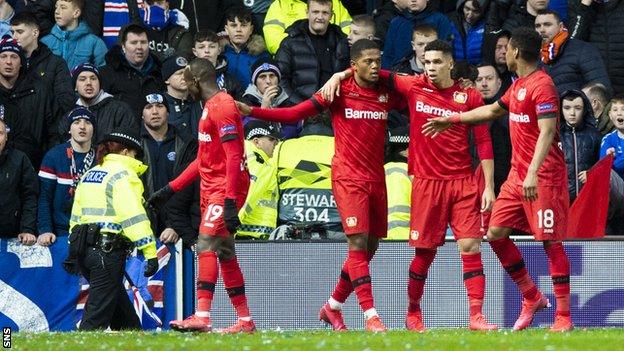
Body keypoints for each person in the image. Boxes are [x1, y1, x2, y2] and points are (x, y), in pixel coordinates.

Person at [326, 39, 498, 331]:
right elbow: (369, 69)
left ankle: (476, 316)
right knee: (424, 253)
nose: (430, 68)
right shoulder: (412, 85)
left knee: (470, 246)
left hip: (463, 182)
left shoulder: (467, 96)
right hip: (428, 184)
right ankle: (413, 312)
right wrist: (338, 75)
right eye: (427, 62)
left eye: (437, 62)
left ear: (450, 64)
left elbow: (483, 142)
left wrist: (489, 186)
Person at [238, 39, 407, 332]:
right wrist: (252, 111)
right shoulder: (337, 92)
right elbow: (294, 113)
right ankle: (371, 317)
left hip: (375, 178)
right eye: (368, 61)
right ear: (353, 65)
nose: (375, 66)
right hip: (347, 178)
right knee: (356, 243)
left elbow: (415, 93)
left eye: (378, 60)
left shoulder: (384, 92)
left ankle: (332, 306)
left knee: (370, 246)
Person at [423, 27, 574, 332]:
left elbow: (547, 132)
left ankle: (564, 317)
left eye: (507, 49)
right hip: (517, 178)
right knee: (495, 232)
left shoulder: (543, 86)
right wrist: (451, 119)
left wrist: (532, 173)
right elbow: (492, 110)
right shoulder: (518, 85)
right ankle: (531, 295)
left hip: (542, 178)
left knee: (550, 242)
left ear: (516, 52)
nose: (503, 52)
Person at [150, 58, 255, 333]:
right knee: (225, 252)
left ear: (196, 81)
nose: (185, 87)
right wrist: (170, 189)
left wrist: (230, 201)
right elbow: (203, 158)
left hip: (225, 187)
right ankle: (245, 321)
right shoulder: (209, 106)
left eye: (187, 81)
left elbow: (234, 157)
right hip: (212, 186)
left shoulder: (222, 107)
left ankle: (202, 316)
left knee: (206, 241)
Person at [69, 127, 158, 330]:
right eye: (135, 154)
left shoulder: (90, 174)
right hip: (107, 252)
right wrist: (150, 252)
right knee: (95, 317)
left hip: (86, 251)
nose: (137, 158)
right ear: (126, 152)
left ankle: (133, 338)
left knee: (122, 313)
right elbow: (133, 216)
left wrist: (72, 250)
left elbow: (76, 215)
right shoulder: (124, 175)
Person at [139, 92, 198, 245]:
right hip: (141, 229)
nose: (154, 111)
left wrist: (176, 226)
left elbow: (192, 190)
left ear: (168, 111)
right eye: (148, 107)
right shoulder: (133, 145)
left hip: (177, 229)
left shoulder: (187, 143)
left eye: (160, 106)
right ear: (142, 114)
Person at [38, 107, 96, 247]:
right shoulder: (54, 156)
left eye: (87, 122)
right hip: (60, 233)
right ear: (69, 129)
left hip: (93, 233)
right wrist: (45, 229)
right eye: (76, 122)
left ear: (93, 129)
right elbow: (44, 198)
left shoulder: (101, 158)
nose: (82, 126)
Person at [274, 0, 350, 105]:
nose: (320, 17)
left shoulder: (342, 42)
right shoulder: (290, 42)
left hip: (334, 109)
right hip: (300, 110)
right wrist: (301, 106)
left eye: (325, 13)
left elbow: (350, 76)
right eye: (315, 12)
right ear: (307, 13)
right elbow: (280, 79)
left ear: (331, 15)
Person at [0, 36, 56, 169]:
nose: (9, 62)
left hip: (31, 166)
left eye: (14, 57)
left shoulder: (39, 90)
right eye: (3, 57)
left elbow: (53, 131)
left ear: (21, 63)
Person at [10, 11, 75, 120]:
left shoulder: (56, 63)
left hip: (45, 130)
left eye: (19, 32)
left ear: (35, 33)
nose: (14, 37)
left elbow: (66, 103)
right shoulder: (7, 63)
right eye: (12, 32)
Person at [534, 10, 611, 95]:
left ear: (560, 26)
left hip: (577, 107)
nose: (541, 30)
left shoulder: (583, 49)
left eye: (547, 24)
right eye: (538, 26)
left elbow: (600, 89)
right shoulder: (533, 55)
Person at [57, 63, 139, 143]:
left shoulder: (120, 110)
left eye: (93, 78)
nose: (88, 83)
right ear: (75, 87)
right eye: (82, 79)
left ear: (100, 84)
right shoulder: (69, 116)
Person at [100, 23, 166, 118]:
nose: (139, 47)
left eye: (143, 42)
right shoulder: (106, 74)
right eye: (134, 43)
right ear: (123, 46)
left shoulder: (160, 72)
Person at [237, 120, 280, 239]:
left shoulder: (244, 157)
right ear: (256, 142)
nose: (276, 143)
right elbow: (251, 196)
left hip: (247, 231)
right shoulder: (261, 164)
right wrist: (231, 227)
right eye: (271, 139)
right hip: (252, 233)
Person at [381, 0, 454, 69]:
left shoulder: (440, 20)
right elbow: (388, 56)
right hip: (401, 75)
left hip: (433, 74)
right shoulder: (396, 22)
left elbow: (446, 52)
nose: (413, 0)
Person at [0, 117, 38, 246]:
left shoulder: (19, 159)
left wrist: (27, 229)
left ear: (6, 136)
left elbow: (30, 196)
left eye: (0, 133)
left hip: (13, 235)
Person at [263, 0, 351, 55]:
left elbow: (350, 35)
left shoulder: (335, 3)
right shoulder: (280, 4)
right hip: (293, 62)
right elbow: (273, 42)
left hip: (331, 60)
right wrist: (307, 50)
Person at [559, 90, 601, 203]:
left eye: (578, 108)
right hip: (561, 199)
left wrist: (592, 174)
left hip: (588, 198)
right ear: (560, 109)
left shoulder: (594, 135)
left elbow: (602, 164)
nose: (572, 113)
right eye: (567, 108)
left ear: (584, 110)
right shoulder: (554, 136)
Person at [241, 58, 299, 139]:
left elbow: (292, 133)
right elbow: (248, 133)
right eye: (262, 77)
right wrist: (263, 111)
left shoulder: (289, 105)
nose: (268, 81)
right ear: (255, 82)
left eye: (272, 76)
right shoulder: (246, 104)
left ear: (278, 80)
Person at [475, 63, 511, 194]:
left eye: (489, 79)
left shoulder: (510, 113)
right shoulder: (466, 112)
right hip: (473, 183)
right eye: (479, 80)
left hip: (504, 183)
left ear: (499, 82)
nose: (484, 84)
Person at [41, 0, 108, 69]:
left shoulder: (94, 43)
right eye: (56, 7)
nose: (56, 11)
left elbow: (103, 74)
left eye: (63, 7)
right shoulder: (45, 42)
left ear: (76, 13)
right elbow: (39, 73)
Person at [222, 6, 269, 88]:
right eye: (234, 25)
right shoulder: (219, 54)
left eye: (243, 25)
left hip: (253, 100)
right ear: (226, 29)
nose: (238, 30)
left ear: (251, 29)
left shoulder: (262, 56)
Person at [191, 30, 244, 100]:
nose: (207, 51)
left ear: (219, 50)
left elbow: (243, 107)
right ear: (195, 51)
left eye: (212, 47)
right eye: (201, 47)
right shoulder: (188, 79)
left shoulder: (231, 81)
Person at [161, 55, 203, 136]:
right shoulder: (160, 105)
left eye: (187, 73)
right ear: (167, 80)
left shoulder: (199, 102)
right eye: (179, 73)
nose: (184, 77)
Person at [384, 125, 411, 240]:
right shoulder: (413, 174)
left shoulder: (381, 172)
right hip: (408, 238)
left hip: (380, 240)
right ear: (406, 151)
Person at [451, 0, 487, 65]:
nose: (470, 15)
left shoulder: (488, 25)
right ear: (461, 6)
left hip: (480, 70)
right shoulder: (450, 22)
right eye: (467, 9)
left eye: (476, 11)